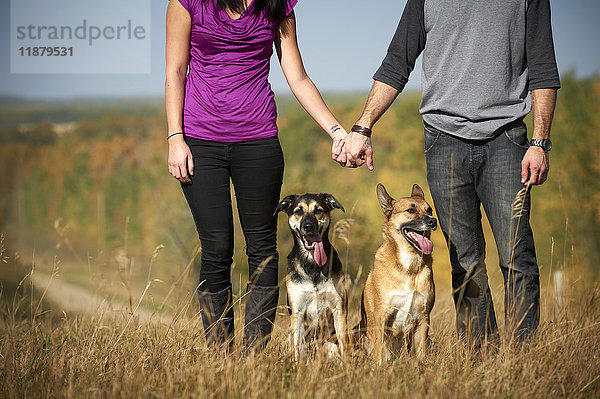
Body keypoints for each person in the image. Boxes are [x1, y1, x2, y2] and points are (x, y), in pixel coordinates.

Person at [343, 0, 560, 344]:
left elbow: (544, 67)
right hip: (443, 139)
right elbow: (397, 62)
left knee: (516, 256)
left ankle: (525, 358)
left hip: (507, 138)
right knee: (465, 260)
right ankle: (480, 358)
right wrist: (363, 127)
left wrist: (540, 140)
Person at [165, 0, 347, 349]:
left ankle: (252, 359)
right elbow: (175, 70)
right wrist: (176, 138)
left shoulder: (278, 6)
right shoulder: (187, 3)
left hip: (259, 142)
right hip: (201, 141)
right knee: (217, 248)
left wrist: (336, 131)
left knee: (263, 251)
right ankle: (219, 354)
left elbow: (297, 76)